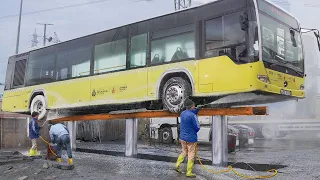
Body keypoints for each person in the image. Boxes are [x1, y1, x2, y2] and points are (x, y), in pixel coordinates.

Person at [175, 98, 200, 178]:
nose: (194, 106)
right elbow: (197, 127)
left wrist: (196, 111)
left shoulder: (182, 113)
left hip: (183, 138)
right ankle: (189, 172)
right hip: (191, 139)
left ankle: (177, 165)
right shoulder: (193, 116)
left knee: (184, 152)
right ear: (192, 106)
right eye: (194, 106)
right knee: (191, 154)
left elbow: (189, 114)